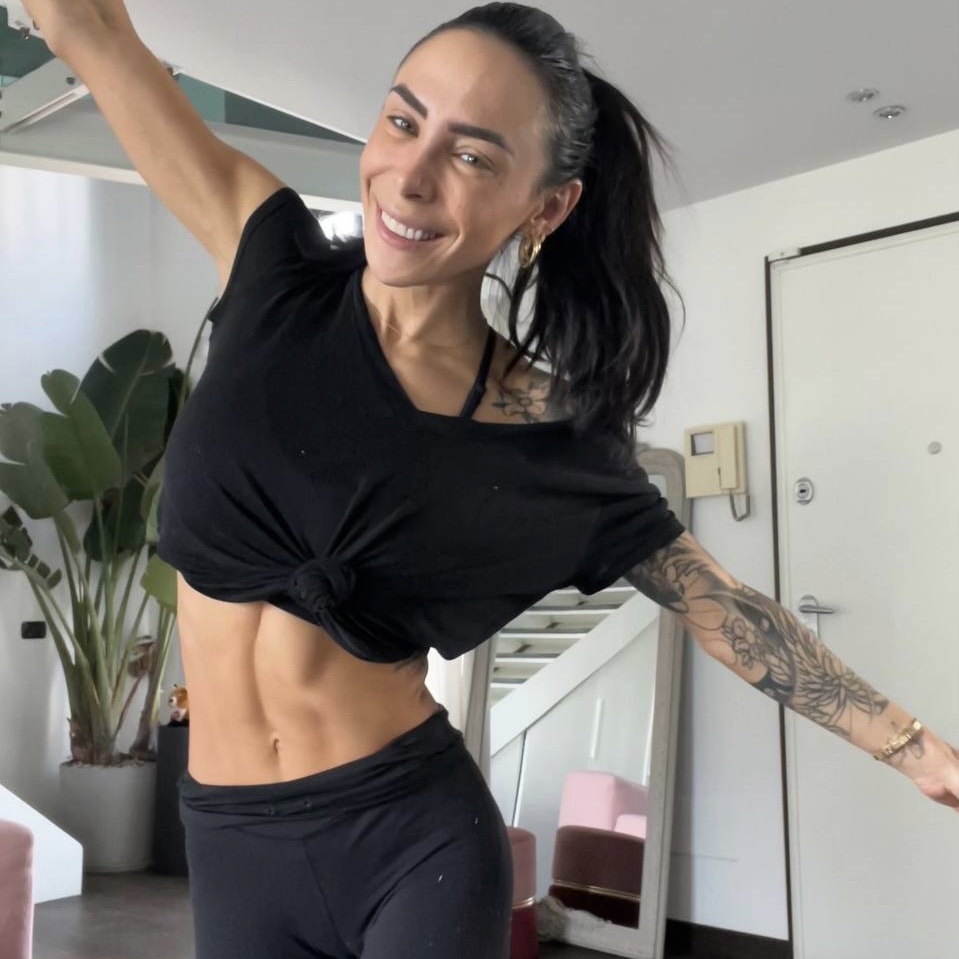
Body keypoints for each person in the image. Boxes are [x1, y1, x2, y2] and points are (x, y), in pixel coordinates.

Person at [22, 1, 959, 957]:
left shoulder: (547, 433)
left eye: (471, 156)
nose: (411, 176)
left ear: (544, 207)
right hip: (227, 839)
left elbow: (722, 607)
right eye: (402, 120)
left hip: (412, 842)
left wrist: (919, 749)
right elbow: (91, 31)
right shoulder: (272, 267)